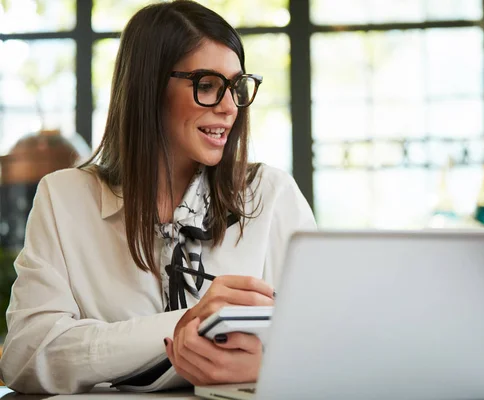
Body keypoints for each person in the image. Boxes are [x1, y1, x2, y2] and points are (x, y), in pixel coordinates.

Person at [0, 0, 316, 394]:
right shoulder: (64, 198)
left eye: (236, 87)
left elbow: (326, 343)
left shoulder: (271, 195)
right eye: (206, 86)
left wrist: (270, 364)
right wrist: (184, 325)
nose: (228, 107)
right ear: (148, 88)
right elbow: (26, 356)